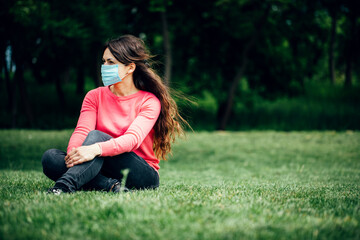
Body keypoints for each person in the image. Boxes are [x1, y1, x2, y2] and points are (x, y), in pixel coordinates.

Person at [42, 34, 187, 195]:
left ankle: (63, 186)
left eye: (111, 62)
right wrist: (74, 154)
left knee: (96, 136)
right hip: (101, 165)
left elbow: (132, 140)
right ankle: (111, 186)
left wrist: (95, 149)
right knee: (51, 158)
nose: (105, 66)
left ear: (130, 67)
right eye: (104, 62)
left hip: (141, 174)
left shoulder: (149, 101)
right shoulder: (94, 96)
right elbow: (82, 131)